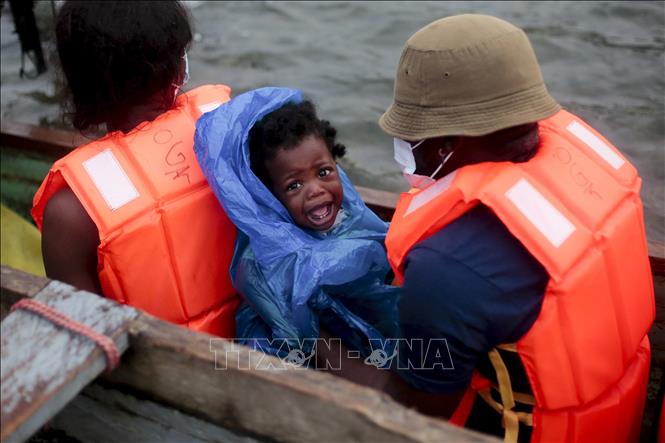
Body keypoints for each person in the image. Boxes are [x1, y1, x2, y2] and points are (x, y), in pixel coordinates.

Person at [379, 14, 655, 442]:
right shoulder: (589, 179)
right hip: (618, 421)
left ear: (445, 144)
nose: (402, 147)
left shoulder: (445, 267)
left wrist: (321, 347)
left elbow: (409, 411)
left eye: (407, 135)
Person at [31, 1, 240, 337]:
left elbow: (85, 337)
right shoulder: (231, 129)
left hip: (167, 379)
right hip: (265, 352)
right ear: (177, 64)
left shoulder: (70, 214)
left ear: (77, 85)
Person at [194, 87, 401, 382]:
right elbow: (297, 336)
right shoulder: (258, 265)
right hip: (287, 357)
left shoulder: (348, 217)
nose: (315, 189)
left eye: (324, 172)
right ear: (269, 197)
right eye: (294, 185)